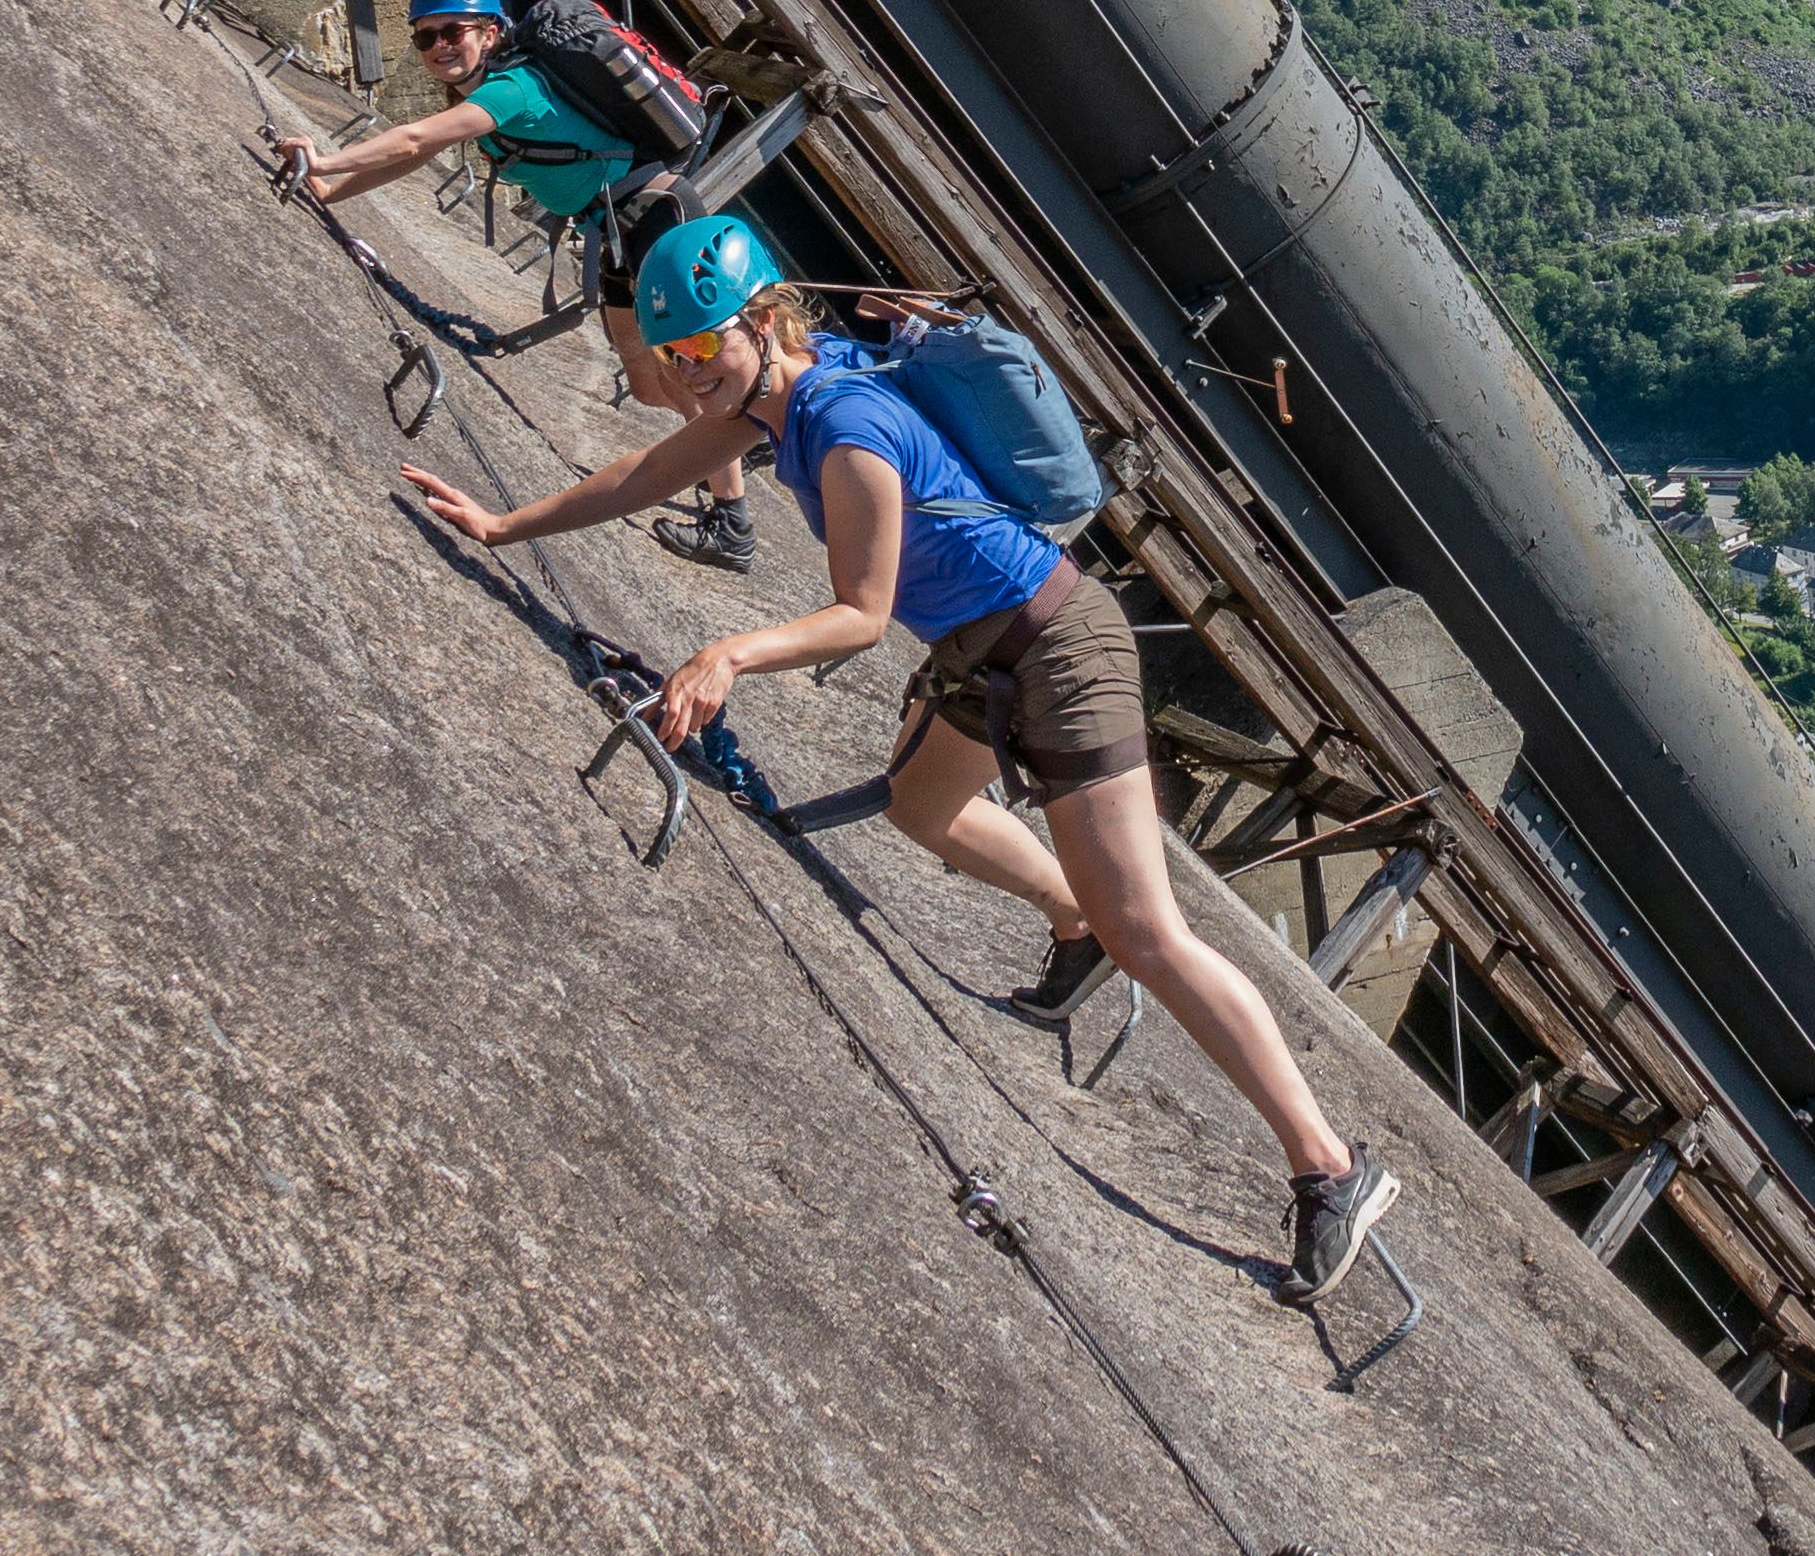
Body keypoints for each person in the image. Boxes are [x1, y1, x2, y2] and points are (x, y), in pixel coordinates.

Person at [397, 214, 1403, 1299]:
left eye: (697, 353)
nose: (684, 378)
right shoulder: (777, 395)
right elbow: (648, 470)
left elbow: (861, 616)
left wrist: (729, 653)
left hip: (1060, 650)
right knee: (926, 812)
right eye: (668, 356)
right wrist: (505, 528)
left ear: (761, 323)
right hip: (988, 650)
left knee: (1152, 931)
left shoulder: (844, 426)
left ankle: (1329, 1163)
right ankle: (1076, 922)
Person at [281, 0, 755, 569]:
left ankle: (731, 521)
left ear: (491, 31)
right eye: (425, 37)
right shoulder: (493, 89)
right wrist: (328, 194)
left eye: (454, 31)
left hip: (655, 220)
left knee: (689, 372)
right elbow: (414, 156)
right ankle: (722, 443)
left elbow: (410, 140)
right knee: (647, 382)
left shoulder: (515, 88)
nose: (439, 48)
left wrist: (323, 162)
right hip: (616, 227)